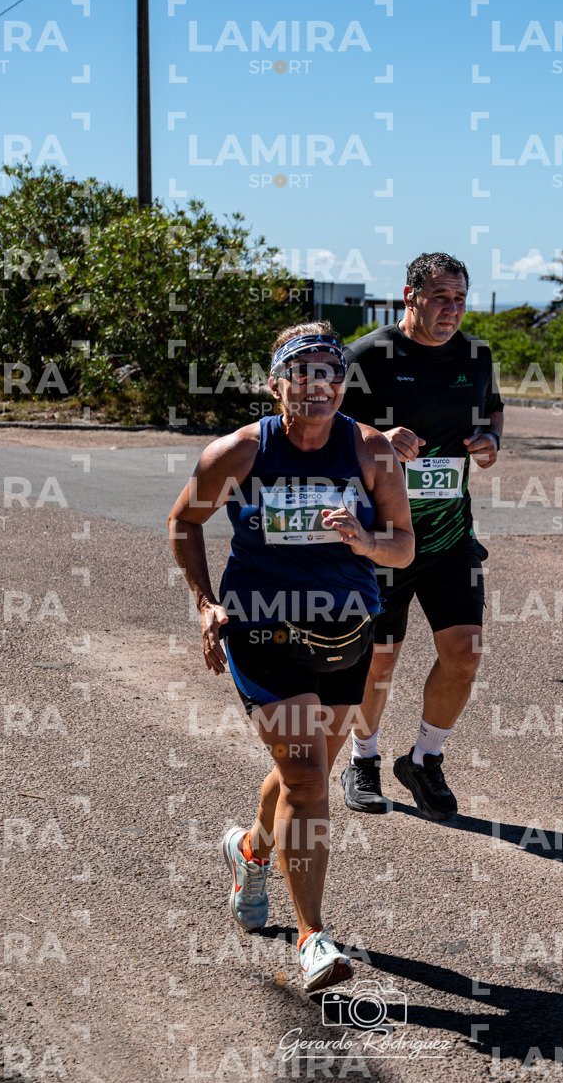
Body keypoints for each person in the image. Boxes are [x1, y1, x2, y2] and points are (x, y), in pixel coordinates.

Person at [168, 321, 413, 993]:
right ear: (276, 385)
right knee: (307, 781)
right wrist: (205, 602)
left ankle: (250, 851)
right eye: (301, 375)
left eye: (330, 375)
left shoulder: (371, 452)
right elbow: (184, 521)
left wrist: (365, 541)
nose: (317, 388)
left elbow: (403, 547)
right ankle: (312, 938)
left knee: (303, 774)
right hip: (262, 632)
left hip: (344, 635)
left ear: (343, 385)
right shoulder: (239, 452)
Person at [338, 252, 504, 821]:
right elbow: (325, 429)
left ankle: (425, 759)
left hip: (450, 536)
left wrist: (491, 442)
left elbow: (493, 411)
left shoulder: (476, 356)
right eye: (439, 298)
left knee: (465, 651)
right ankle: (363, 758)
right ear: (409, 297)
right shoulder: (367, 356)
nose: (451, 310)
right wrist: (377, 438)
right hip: (381, 538)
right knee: (379, 660)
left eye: (460, 299)